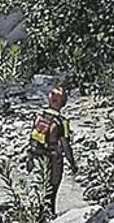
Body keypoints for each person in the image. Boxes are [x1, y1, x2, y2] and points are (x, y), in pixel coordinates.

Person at [26, 86, 78, 215]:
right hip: (54, 159)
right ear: (63, 104)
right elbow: (66, 145)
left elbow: (33, 140)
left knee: (40, 188)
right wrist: (72, 164)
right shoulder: (61, 122)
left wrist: (30, 159)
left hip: (38, 156)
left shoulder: (39, 117)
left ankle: (38, 216)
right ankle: (50, 216)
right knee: (52, 190)